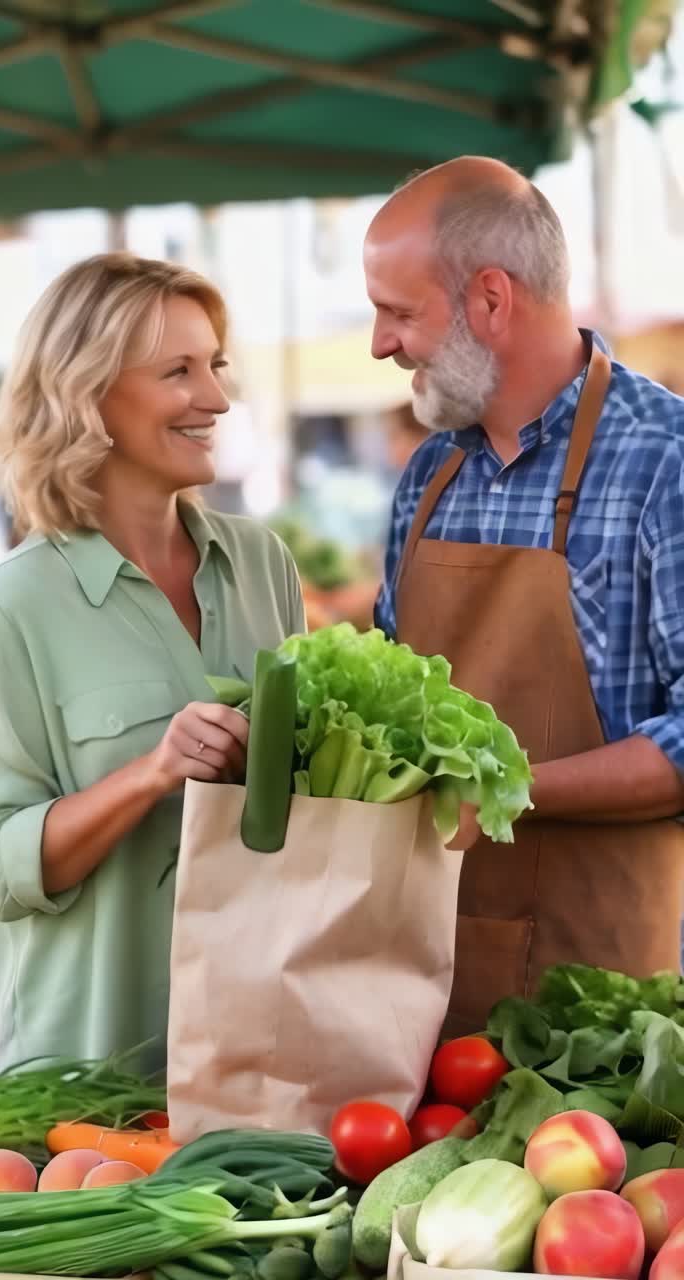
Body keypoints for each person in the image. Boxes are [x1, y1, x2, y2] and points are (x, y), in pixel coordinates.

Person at [365, 157, 684, 1033]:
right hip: (424, 976)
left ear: (491, 301)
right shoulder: (432, 472)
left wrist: (502, 791)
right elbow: (392, 698)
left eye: (398, 312)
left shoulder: (666, 461)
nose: (381, 344)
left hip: (605, 997)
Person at [0, 253, 304, 1072]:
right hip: (88, 1081)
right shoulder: (11, 606)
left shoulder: (263, 565)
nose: (217, 398)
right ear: (88, 396)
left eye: (215, 366)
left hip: (261, 1057)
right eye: (178, 372)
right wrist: (151, 774)